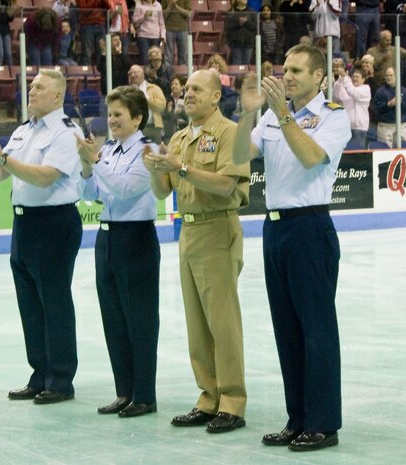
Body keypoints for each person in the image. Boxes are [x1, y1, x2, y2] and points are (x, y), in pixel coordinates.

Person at [233, 43, 351, 451]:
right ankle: (297, 418)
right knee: (287, 329)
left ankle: (323, 423)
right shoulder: (269, 115)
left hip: (310, 228)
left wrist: (281, 114)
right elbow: (237, 155)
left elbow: (311, 157)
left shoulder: (332, 118)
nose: (288, 76)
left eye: (298, 70)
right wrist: (250, 110)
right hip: (275, 228)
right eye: (286, 69)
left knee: (316, 329)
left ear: (319, 77)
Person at [143, 69, 250, 434]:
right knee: (197, 325)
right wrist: (156, 169)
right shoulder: (178, 138)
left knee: (223, 322)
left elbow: (225, 186)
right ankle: (209, 397)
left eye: (197, 89)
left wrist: (182, 168)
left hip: (218, 227)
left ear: (216, 97)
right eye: (186, 89)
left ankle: (232, 401)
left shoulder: (230, 133)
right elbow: (162, 192)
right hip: (187, 231)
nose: (188, 94)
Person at [0, 69, 84, 405]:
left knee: (54, 301)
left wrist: (3, 158)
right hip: (24, 225)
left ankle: (61, 379)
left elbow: (45, 178)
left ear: (57, 96)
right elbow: (1, 174)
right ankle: (40, 374)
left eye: (39, 87)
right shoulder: (23, 130)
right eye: (31, 86)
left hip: (54, 224)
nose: (31, 91)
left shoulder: (66, 133)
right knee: (30, 304)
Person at [76, 85, 161, 418]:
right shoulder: (108, 149)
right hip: (106, 238)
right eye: (109, 114)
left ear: (137, 118)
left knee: (139, 319)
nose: (111, 121)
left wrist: (95, 160)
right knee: (114, 319)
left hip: (136, 238)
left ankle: (145, 394)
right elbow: (89, 194)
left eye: (119, 115)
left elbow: (126, 189)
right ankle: (124, 391)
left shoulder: (148, 150)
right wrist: (86, 166)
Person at [333, 66, 371, 148]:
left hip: (359, 128)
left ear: (363, 79)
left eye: (357, 77)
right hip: (346, 127)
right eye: (353, 77)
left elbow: (353, 92)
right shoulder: (348, 88)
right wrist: (340, 80)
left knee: (358, 155)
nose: (355, 78)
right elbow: (336, 95)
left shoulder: (365, 89)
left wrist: (345, 77)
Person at [374, 66, 406, 147]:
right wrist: (389, 104)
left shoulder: (404, 91)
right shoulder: (380, 92)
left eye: (390, 75)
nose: (388, 77)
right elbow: (377, 109)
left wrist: (400, 103)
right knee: (385, 151)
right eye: (387, 75)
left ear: (396, 76)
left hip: (401, 125)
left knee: (403, 149)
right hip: (385, 126)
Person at [128, 64, 166, 143]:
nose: (132, 75)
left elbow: (162, 106)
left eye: (135, 72)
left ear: (142, 73)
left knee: (155, 153)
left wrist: (146, 100)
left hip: (154, 128)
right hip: (136, 128)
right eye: (130, 73)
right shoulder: (127, 91)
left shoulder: (154, 88)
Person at [133, 0, 166, 65]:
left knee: (155, 59)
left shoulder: (158, 5)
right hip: (143, 36)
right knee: (145, 59)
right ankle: (145, 74)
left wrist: (163, 35)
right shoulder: (139, 5)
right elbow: (135, 22)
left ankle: (154, 74)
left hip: (156, 36)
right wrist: (144, 16)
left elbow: (161, 23)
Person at [77, 0, 109, 65]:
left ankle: (100, 72)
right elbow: (83, 10)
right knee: (87, 52)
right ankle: (86, 73)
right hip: (87, 25)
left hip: (100, 24)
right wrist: (95, 1)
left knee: (101, 51)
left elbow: (108, 8)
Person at [225, 0, 256, 66]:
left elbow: (256, 27)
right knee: (236, 63)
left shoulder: (252, 12)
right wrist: (238, 24)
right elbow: (228, 27)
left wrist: (246, 23)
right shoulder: (231, 12)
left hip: (248, 43)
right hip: (235, 43)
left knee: (246, 63)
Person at [161, 0, 191, 66]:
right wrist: (170, 6)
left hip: (182, 29)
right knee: (168, 56)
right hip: (169, 29)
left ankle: (182, 74)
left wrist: (177, 7)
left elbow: (189, 13)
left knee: (182, 56)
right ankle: (168, 74)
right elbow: (163, 16)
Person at [162, 74, 187, 141]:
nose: (173, 86)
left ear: (182, 87)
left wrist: (182, 112)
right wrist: (168, 111)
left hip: (184, 131)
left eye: (176, 84)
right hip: (170, 132)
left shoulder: (186, 99)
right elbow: (163, 118)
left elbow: (189, 117)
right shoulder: (167, 99)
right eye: (172, 84)